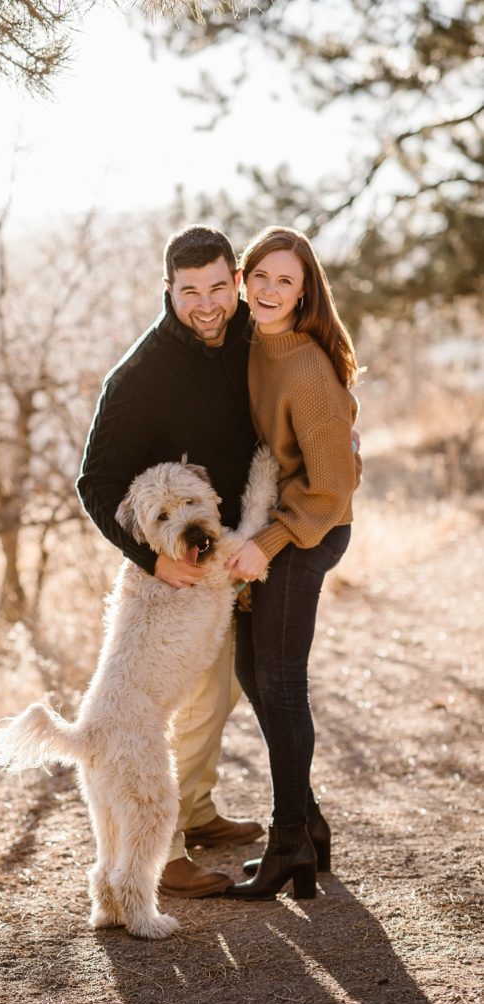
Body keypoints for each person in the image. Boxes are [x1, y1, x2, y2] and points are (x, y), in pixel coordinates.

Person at [76, 225, 264, 898]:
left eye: (219, 287)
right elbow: (93, 483)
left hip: (236, 542)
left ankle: (200, 810)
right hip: (172, 565)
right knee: (184, 699)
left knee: (224, 689)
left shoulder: (250, 332)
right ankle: (169, 849)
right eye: (191, 293)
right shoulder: (140, 376)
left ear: (236, 282)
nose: (207, 304)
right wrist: (152, 563)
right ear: (168, 290)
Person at [224, 225, 362, 901]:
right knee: (254, 670)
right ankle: (305, 823)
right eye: (261, 277)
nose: (271, 291)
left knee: (278, 677)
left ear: (305, 290)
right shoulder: (246, 346)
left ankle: (288, 845)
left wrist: (269, 543)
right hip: (272, 524)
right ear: (244, 281)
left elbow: (334, 483)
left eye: (287, 280)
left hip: (311, 529)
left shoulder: (307, 369)